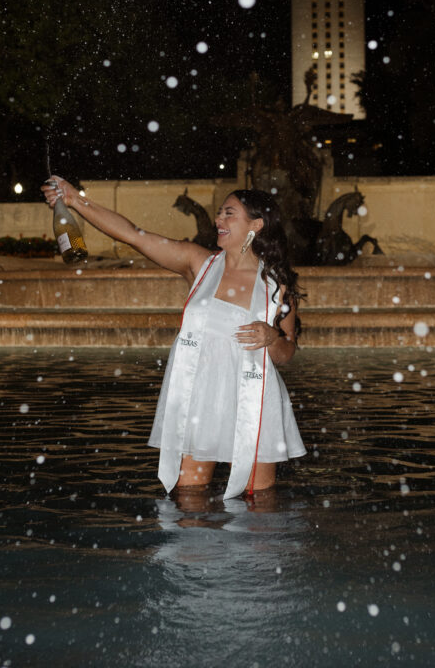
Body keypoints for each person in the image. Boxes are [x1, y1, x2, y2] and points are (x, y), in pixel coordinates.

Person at [41, 178, 306, 499]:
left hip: (254, 398)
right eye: (220, 213)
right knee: (190, 499)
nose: (218, 220)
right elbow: (133, 235)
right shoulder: (200, 264)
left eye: (229, 214)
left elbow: (286, 352)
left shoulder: (276, 286)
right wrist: (73, 201)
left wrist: (271, 336)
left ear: (256, 225)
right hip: (201, 395)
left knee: (259, 507)